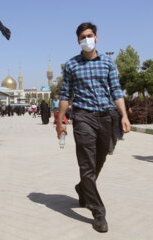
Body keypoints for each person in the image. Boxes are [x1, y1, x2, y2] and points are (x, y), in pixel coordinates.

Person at [56, 22, 131, 233]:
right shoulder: (71, 65)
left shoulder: (108, 62)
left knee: (101, 157)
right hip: (83, 117)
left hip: (106, 117)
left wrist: (124, 116)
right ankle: (98, 211)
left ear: (96, 37)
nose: (86, 39)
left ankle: (83, 188)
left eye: (89, 35)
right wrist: (60, 121)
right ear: (78, 41)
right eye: (82, 37)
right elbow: (65, 95)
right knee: (86, 165)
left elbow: (116, 90)